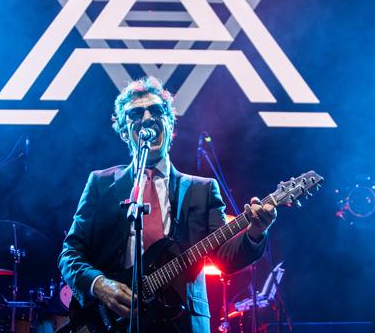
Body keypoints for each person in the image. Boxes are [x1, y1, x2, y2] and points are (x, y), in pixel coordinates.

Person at [58, 76, 277, 333]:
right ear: (123, 131)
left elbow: (225, 258)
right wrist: (100, 286)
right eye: (136, 113)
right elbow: (70, 254)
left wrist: (254, 233)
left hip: (181, 322)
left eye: (156, 110)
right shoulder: (101, 183)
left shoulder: (202, 189)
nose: (147, 118)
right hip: (112, 321)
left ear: (170, 123)